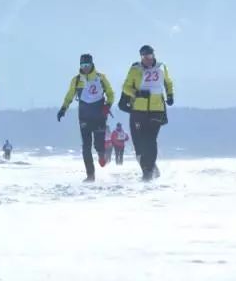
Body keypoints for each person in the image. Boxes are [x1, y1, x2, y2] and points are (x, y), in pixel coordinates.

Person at [118, 44, 174, 181]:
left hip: (157, 109)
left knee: (150, 141)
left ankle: (147, 173)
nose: (147, 59)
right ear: (141, 57)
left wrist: (170, 95)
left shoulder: (161, 67)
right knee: (139, 144)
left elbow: (168, 82)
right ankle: (150, 167)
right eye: (144, 56)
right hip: (138, 110)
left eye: (149, 56)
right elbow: (125, 87)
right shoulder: (135, 69)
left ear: (153, 55)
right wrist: (136, 93)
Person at [57, 53, 114, 182]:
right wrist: (63, 109)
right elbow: (69, 96)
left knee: (98, 144)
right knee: (86, 146)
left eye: (87, 65)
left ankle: (101, 154)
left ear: (92, 64)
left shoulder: (100, 78)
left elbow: (110, 93)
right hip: (84, 116)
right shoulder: (76, 80)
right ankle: (90, 175)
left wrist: (108, 105)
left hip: (99, 114)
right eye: (83, 65)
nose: (85, 67)